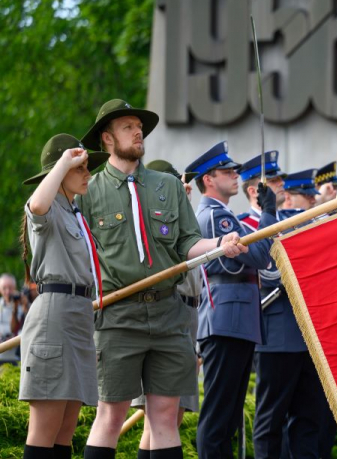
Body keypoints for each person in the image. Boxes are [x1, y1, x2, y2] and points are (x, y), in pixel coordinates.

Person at [77, 99, 248, 459]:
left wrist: (219, 243)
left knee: (166, 416)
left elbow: (187, 242)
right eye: (127, 127)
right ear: (107, 138)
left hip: (169, 314)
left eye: (139, 126)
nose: (138, 132)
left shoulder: (167, 185)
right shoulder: (89, 191)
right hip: (118, 316)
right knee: (111, 414)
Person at [18, 134, 109, 459]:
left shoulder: (74, 213)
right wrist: (62, 164)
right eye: (79, 168)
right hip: (54, 318)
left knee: (64, 432)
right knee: (45, 430)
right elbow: (37, 206)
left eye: (86, 168)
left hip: (78, 316)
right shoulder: (49, 207)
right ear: (58, 170)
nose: (87, 174)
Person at [186, 142, 277, 459]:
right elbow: (259, 257)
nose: (235, 175)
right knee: (217, 419)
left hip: (236, 320)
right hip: (226, 321)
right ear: (208, 179)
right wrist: (268, 214)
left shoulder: (223, 215)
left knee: (226, 420)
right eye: (227, 171)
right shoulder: (216, 217)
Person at [253, 167, 328, 459]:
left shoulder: (308, 222)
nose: (279, 186)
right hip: (278, 336)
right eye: (272, 182)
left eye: (281, 182)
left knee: (308, 421)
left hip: (310, 336)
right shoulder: (257, 223)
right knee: (270, 421)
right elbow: (266, 270)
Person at [130, 160, 201, 459]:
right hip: (168, 314)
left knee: (171, 416)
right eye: (177, 184)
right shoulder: (158, 224)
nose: (185, 189)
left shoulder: (179, 221)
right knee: (161, 420)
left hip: (186, 316)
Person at [236, 150, 286, 231]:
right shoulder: (243, 227)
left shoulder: (288, 218)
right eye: (273, 181)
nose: (282, 183)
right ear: (253, 191)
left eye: (280, 179)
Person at [0, 273, 23, 364]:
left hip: (17, 357)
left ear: (15, 288)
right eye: (4, 288)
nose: (8, 292)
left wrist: (16, 306)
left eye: (10, 288)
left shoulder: (22, 305)